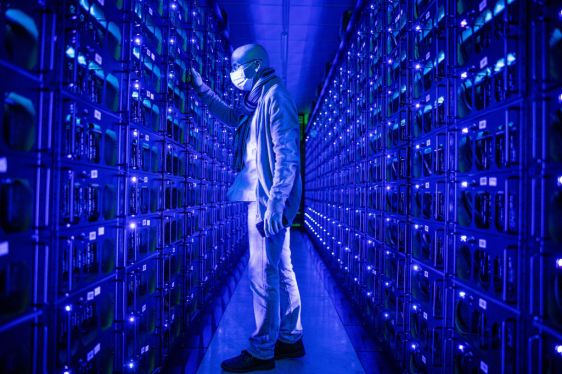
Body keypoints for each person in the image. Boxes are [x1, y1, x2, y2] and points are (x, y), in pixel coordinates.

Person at [188, 43, 304, 372]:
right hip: (264, 197)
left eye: (237, 67)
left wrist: (275, 205)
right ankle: (292, 338)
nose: (234, 74)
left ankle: (262, 350)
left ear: (254, 67)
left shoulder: (275, 98)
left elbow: (287, 158)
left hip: (267, 201)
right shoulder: (257, 104)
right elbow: (229, 115)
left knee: (261, 272)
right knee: (281, 270)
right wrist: (201, 88)